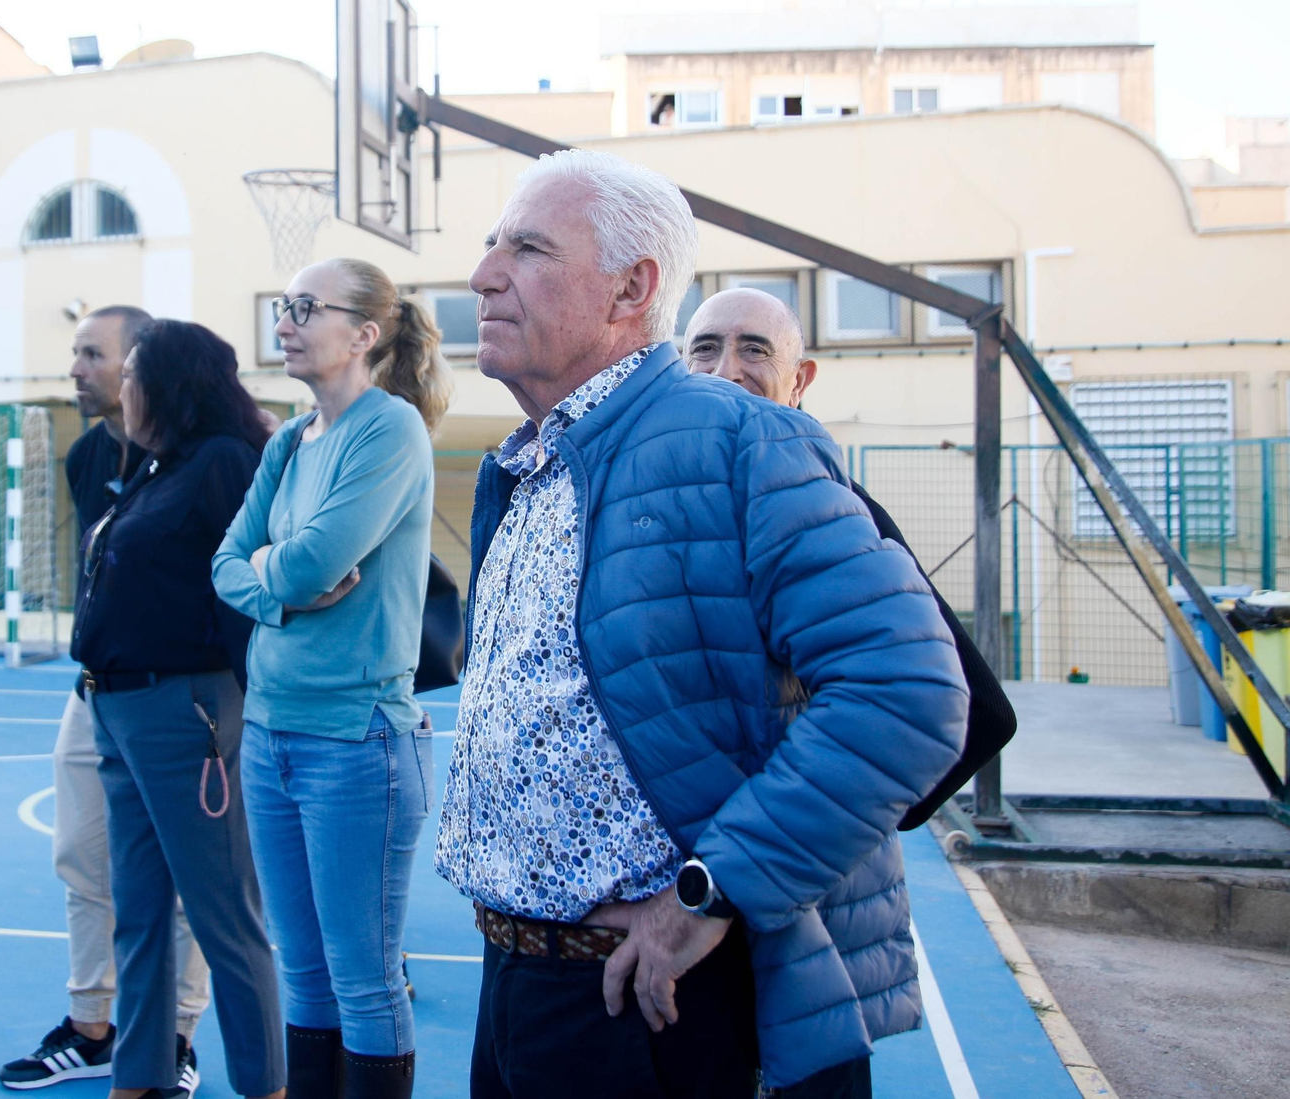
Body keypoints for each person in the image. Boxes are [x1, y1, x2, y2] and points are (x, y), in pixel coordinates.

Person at [435, 149, 969, 1099]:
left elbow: (908, 691)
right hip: (514, 978)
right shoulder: (523, 467)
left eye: (526, 248)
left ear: (631, 289)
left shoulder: (741, 439)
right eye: (489, 245)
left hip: (644, 1001)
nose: (484, 275)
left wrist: (706, 894)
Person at [212, 258, 450, 1099]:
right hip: (270, 733)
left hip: (356, 741)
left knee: (363, 978)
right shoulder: (286, 442)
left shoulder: (389, 430)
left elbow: (315, 557)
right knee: (303, 973)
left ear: (365, 333)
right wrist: (284, 596)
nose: (286, 321)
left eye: (306, 308)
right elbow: (228, 565)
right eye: (284, 305)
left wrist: (273, 574)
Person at [682, 287, 1017, 829]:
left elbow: (980, 714)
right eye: (705, 349)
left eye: (755, 350)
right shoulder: (670, 503)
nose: (725, 371)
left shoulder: (829, 508)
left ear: (800, 381)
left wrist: (830, 832)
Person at [0, 305, 210, 1096]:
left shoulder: (202, 459)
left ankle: (178, 1039)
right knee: (81, 854)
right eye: (76, 352)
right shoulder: (89, 455)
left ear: (139, 366)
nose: (77, 367)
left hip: (180, 705)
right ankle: (92, 1026)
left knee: (185, 880)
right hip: (95, 692)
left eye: (95, 354)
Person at [74, 319, 284, 1099]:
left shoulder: (223, 463)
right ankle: (139, 1080)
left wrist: (255, 712)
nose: (121, 387)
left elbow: (249, 590)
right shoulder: (156, 467)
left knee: (226, 917)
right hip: (118, 712)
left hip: (185, 713)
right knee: (138, 914)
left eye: (131, 373)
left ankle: (267, 1085)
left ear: (169, 382)